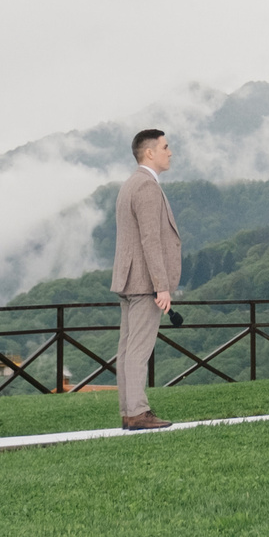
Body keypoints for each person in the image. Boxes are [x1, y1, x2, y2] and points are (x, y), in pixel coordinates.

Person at [112, 129, 182, 430]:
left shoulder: (130, 184)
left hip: (129, 279)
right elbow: (150, 240)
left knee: (128, 349)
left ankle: (130, 412)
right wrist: (161, 286)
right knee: (137, 351)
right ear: (150, 152)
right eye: (166, 147)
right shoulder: (147, 187)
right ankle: (138, 412)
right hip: (144, 282)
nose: (170, 152)